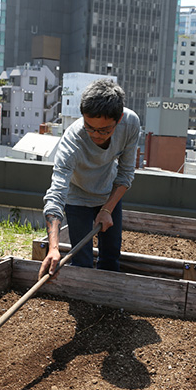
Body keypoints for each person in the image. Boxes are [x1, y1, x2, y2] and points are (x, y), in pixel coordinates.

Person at [40, 78, 140, 278]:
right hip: (77, 197)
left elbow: (126, 173)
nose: (95, 135)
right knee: (81, 260)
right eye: (89, 127)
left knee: (111, 256)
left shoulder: (130, 123)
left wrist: (107, 209)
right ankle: (84, 303)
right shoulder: (72, 141)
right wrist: (53, 248)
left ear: (118, 119)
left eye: (104, 130)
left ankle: (107, 302)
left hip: (108, 193)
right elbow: (56, 195)